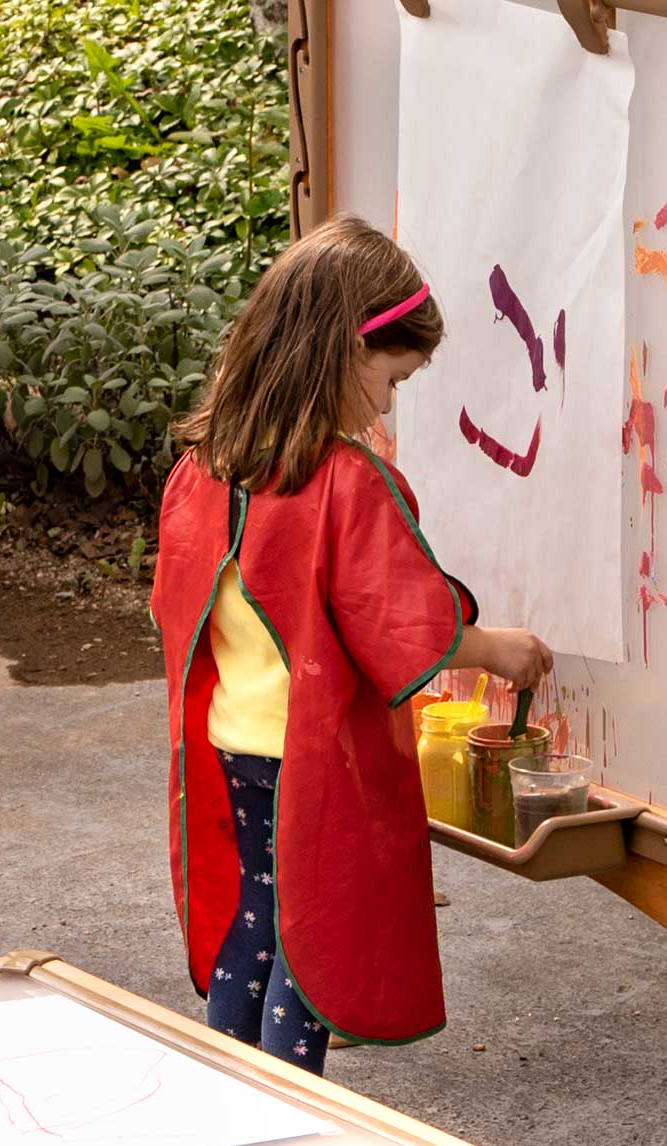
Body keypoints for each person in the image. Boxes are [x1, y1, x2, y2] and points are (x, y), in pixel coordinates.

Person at [151, 215, 553, 1072]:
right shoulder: (342, 480)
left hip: (235, 741)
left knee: (258, 921)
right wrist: (494, 648)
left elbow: (181, 600)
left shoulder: (208, 465)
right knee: (316, 943)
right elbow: (400, 619)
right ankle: (296, 1123)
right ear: (339, 351)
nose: (390, 399)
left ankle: (232, 1095)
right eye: (391, 376)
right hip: (316, 756)